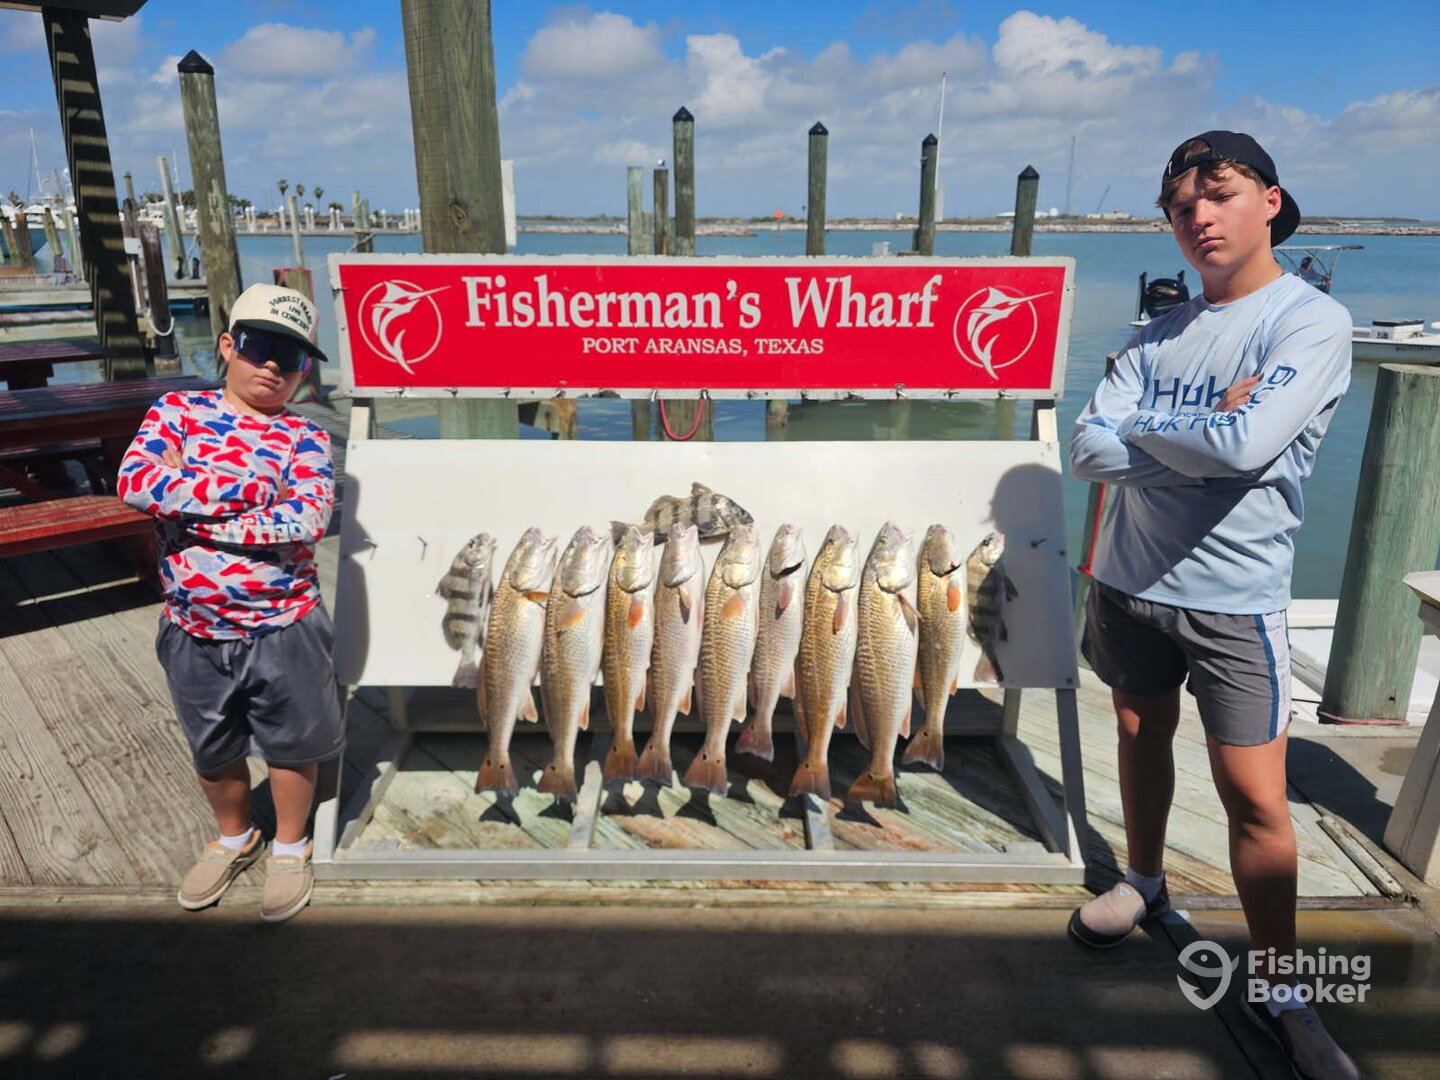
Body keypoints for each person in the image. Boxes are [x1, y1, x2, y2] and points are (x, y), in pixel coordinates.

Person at [1068, 132, 1359, 1079]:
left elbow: (1248, 448)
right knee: (1137, 730)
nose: (1198, 217)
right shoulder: (1152, 334)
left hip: (1236, 600)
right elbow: (1087, 448)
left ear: (1269, 201)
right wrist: (1199, 429)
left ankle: (1285, 993)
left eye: (1219, 195)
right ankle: (1145, 882)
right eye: (1181, 205)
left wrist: (1158, 434)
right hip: (1126, 581)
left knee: (1254, 798)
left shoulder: (1310, 324)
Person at [118, 283, 341, 924]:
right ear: (227, 344)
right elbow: (137, 482)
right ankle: (235, 836)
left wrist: (193, 506)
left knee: (294, 744)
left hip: (287, 624)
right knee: (212, 748)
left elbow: (306, 517)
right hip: (191, 626)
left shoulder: (307, 435)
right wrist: (248, 491)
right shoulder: (177, 412)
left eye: (293, 357)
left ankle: (291, 845)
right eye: (260, 345)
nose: (273, 365)